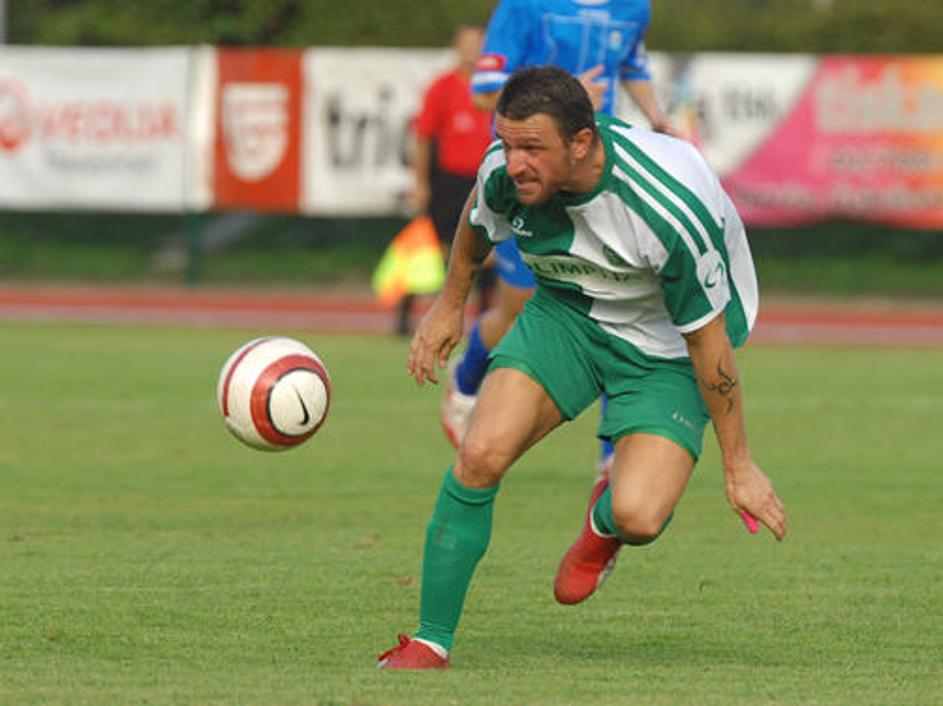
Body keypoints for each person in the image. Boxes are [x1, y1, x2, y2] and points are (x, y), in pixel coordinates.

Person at [377, 66, 788, 670]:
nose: (514, 163)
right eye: (506, 143)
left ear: (581, 142)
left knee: (639, 516)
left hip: (667, 346)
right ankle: (430, 640)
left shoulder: (665, 205)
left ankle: (603, 524)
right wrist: (450, 303)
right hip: (568, 315)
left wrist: (739, 464)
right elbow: (475, 223)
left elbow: (709, 344)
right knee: (479, 452)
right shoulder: (505, 171)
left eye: (531, 148)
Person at [442, 0, 679, 468]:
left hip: (593, 182)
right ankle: (467, 379)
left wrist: (657, 118)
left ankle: (611, 458)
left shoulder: (633, 8)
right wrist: (564, 104)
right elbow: (485, 92)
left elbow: (632, 64)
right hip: (529, 180)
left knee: (616, 304)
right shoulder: (524, 7)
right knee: (518, 309)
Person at [397, 25, 495, 335]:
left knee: (490, 249)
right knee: (432, 251)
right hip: (448, 183)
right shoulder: (441, 87)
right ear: (455, 48)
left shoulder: (495, 88)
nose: (472, 52)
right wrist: (420, 183)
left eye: (478, 45)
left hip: (484, 180)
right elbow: (423, 138)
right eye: (467, 45)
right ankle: (405, 314)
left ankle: (485, 319)